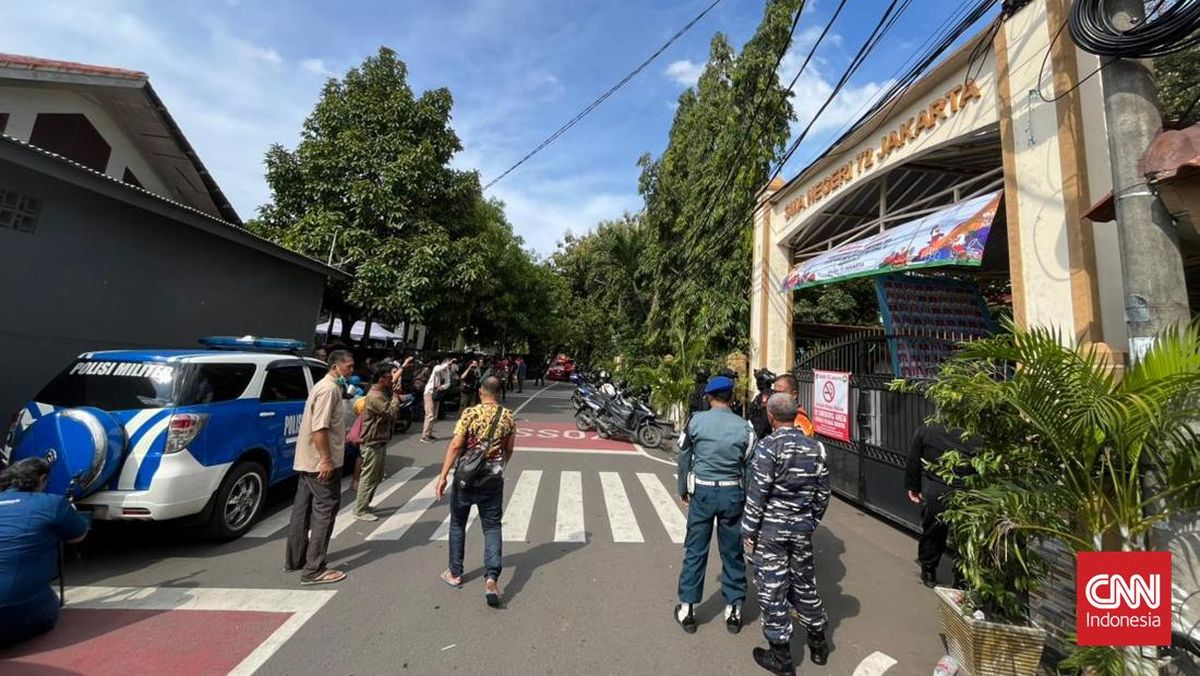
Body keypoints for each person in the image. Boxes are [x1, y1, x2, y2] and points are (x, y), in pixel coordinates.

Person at [743, 394, 832, 674]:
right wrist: (809, 522)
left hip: (771, 531)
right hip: (801, 530)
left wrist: (748, 529)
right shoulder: (816, 447)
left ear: (770, 416)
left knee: (773, 590)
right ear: (796, 415)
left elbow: (758, 492)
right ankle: (818, 643)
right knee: (805, 584)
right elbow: (823, 495)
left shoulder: (769, 447)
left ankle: (781, 658)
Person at [674, 375, 756, 635]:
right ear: (731, 398)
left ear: (709, 397)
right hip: (733, 494)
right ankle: (734, 609)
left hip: (703, 494)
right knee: (733, 551)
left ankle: (687, 609)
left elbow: (684, 454)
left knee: (696, 550)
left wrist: (683, 489)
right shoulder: (745, 427)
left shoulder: (696, 421)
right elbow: (748, 466)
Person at [434, 376, 516, 607]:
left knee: (458, 523)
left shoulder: (470, 414)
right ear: (500, 393)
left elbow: (456, 445)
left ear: (481, 391)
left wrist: (442, 477)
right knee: (491, 527)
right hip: (492, 480)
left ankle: (455, 572)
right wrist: (498, 465)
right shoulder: (508, 416)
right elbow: (509, 449)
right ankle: (491, 578)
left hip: (466, 479)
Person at [0, 458, 90, 644]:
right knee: (47, 601)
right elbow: (78, 536)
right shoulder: (52, 504)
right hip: (20, 615)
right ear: (41, 479)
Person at [285, 349, 354, 586]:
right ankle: (314, 568)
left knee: (302, 511)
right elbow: (320, 428)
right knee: (325, 510)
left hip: (309, 460)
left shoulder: (322, 387)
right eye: (348, 367)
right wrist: (326, 459)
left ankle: (296, 559)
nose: (352, 371)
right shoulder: (329, 389)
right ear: (335, 367)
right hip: (320, 463)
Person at [905, 422, 976, 588]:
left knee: (933, 529)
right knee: (965, 534)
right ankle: (961, 578)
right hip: (968, 488)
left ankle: (929, 569)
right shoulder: (975, 431)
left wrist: (913, 486)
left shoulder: (929, 428)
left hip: (937, 486)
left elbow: (914, 458)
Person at [352, 363, 407, 521]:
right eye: (389, 378)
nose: (391, 380)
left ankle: (364, 505)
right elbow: (391, 413)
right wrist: (396, 398)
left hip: (379, 440)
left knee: (375, 477)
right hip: (372, 442)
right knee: (368, 477)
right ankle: (360, 509)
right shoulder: (375, 396)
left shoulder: (380, 391)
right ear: (382, 379)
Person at [420, 357, 455, 443]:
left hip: (437, 394)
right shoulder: (437, 368)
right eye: (448, 364)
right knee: (430, 415)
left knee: (435, 416)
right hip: (430, 393)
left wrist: (442, 387)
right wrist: (447, 364)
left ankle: (429, 433)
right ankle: (424, 436)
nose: (449, 366)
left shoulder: (447, 372)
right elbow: (437, 369)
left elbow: (448, 383)